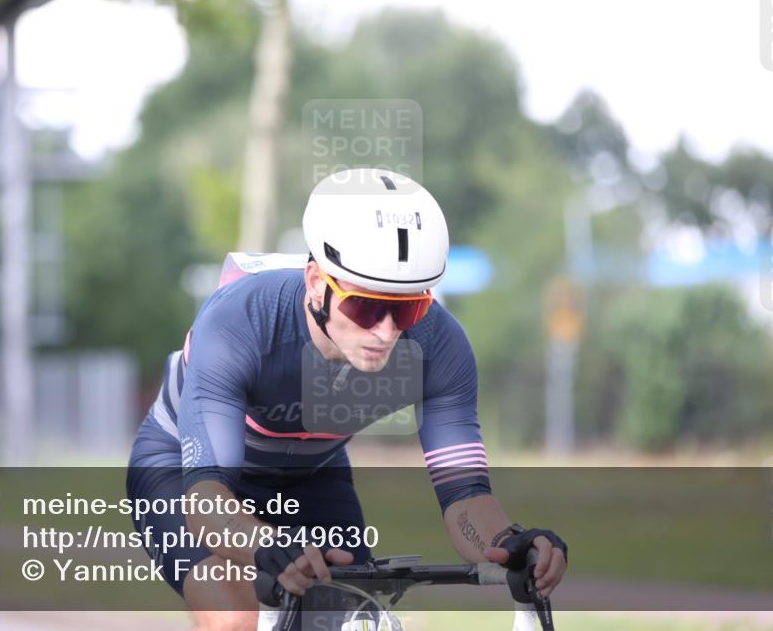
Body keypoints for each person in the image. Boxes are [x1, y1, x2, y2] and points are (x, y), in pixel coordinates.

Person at [127, 168, 567, 631]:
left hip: (312, 476)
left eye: (407, 308)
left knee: (352, 623)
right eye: (366, 305)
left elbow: (466, 498)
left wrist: (508, 542)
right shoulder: (239, 323)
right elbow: (207, 502)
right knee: (237, 614)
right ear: (316, 283)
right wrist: (262, 547)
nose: (386, 331)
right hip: (184, 472)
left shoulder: (440, 346)